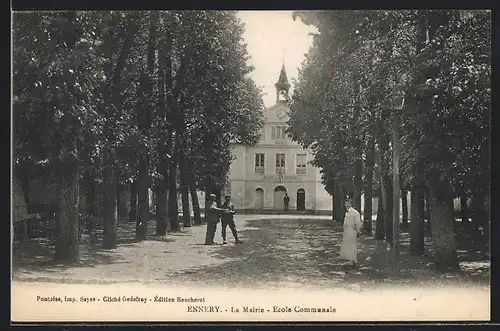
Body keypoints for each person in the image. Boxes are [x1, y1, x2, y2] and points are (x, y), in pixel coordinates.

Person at [339, 198, 362, 268]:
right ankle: (350, 260)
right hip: (347, 230)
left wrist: (358, 231)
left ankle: (353, 260)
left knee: (352, 245)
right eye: (346, 203)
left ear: (351, 204)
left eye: (348, 203)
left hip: (352, 230)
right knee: (348, 245)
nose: (347, 205)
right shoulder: (347, 212)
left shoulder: (355, 212)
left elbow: (358, 222)